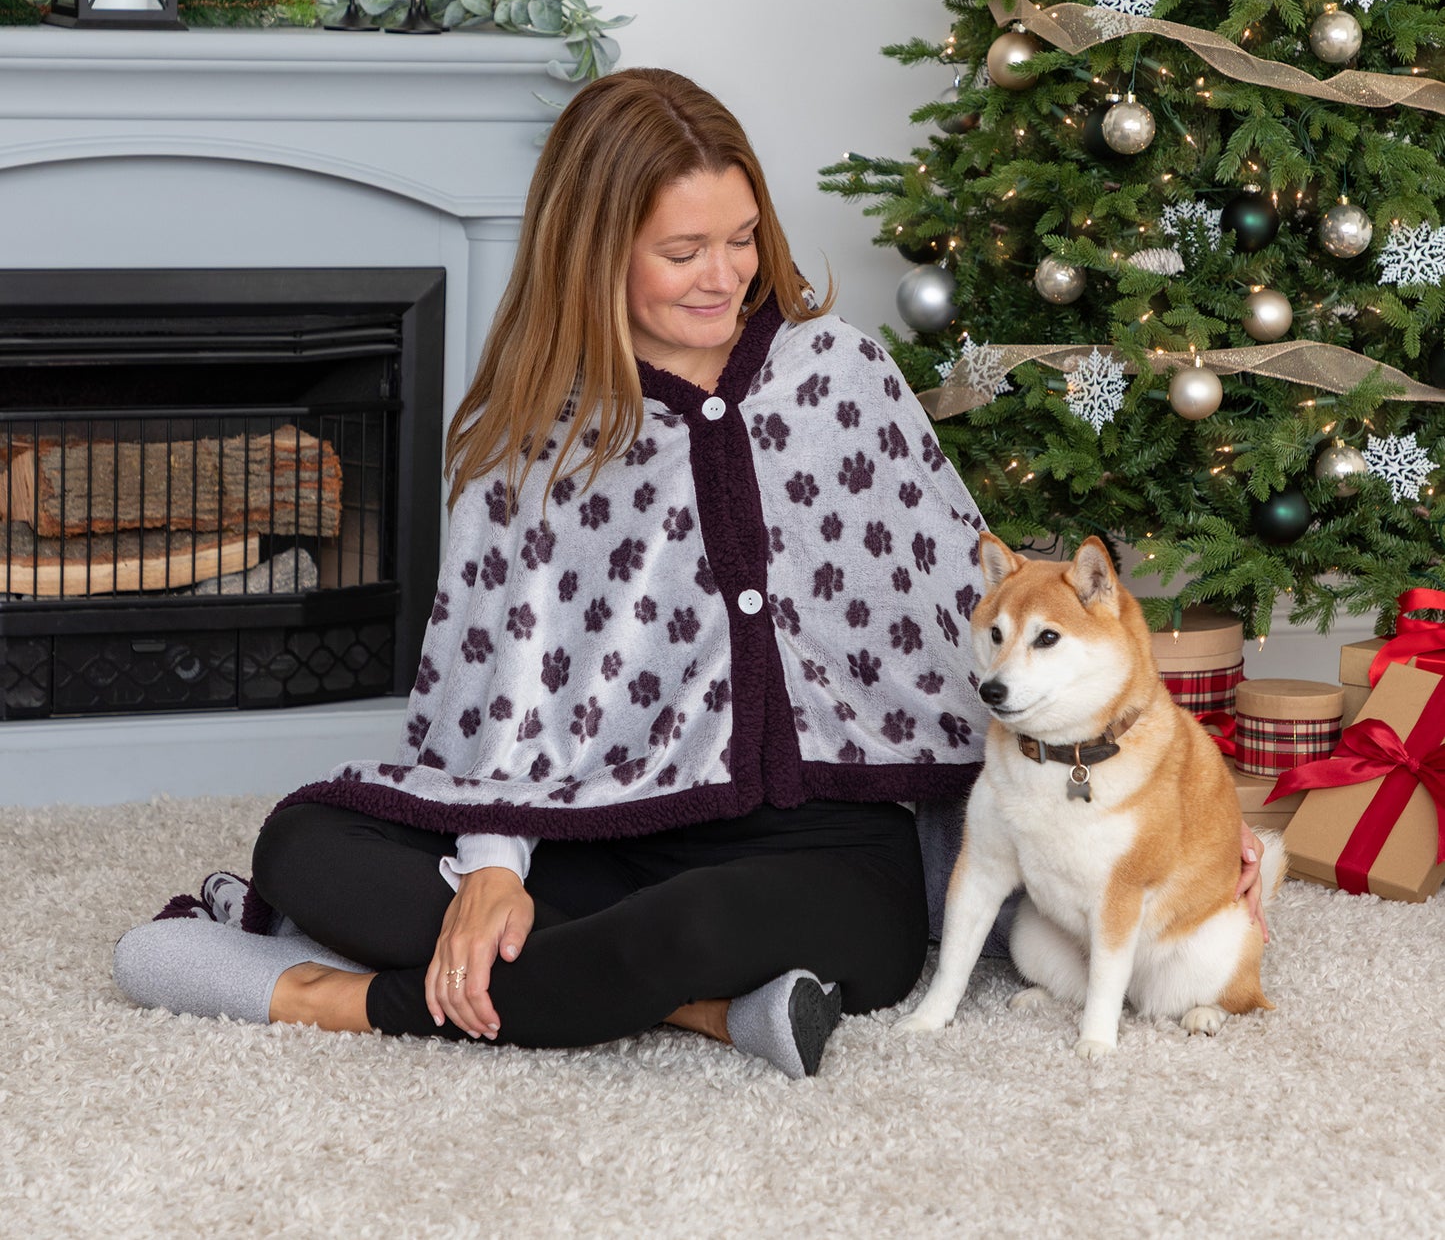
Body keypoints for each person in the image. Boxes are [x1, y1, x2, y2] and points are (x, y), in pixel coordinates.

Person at [113, 68, 1266, 1078]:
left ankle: (336, 997)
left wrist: (1174, 821)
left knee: (692, 921)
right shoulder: (536, 442)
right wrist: (494, 866)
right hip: (597, 823)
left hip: (820, 855)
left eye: (741, 237)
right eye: (681, 251)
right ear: (592, 253)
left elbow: (974, 621)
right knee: (306, 842)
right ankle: (705, 1011)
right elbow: (495, 692)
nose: (723, 276)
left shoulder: (841, 379)